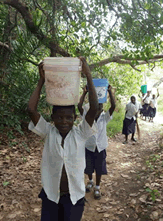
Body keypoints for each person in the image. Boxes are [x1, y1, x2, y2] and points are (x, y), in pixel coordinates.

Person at [27, 57, 98, 221]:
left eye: (68, 118)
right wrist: (41, 80)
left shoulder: (80, 134)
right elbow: (31, 109)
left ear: (75, 118)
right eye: (59, 118)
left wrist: (88, 75)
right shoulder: (48, 132)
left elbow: (94, 108)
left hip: (74, 198)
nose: (64, 121)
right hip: (51, 195)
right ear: (52, 118)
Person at [78, 84, 116, 200]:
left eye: (99, 107)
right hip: (89, 146)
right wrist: (84, 92)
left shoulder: (104, 117)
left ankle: (98, 186)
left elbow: (113, 106)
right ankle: (90, 181)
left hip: (100, 147)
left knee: (99, 168)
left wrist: (109, 92)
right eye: (94, 107)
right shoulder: (87, 116)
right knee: (88, 166)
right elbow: (79, 106)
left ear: (102, 109)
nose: (97, 110)